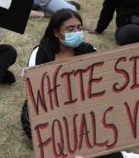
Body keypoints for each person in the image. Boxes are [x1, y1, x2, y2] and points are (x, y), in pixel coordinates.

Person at [20, 9, 96, 138]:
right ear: (56, 32)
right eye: (70, 29)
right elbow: (36, 92)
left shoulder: (89, 51)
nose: (77, 32)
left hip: (79, 104)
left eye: (79, 28)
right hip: (49, 105)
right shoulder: (41, 53)